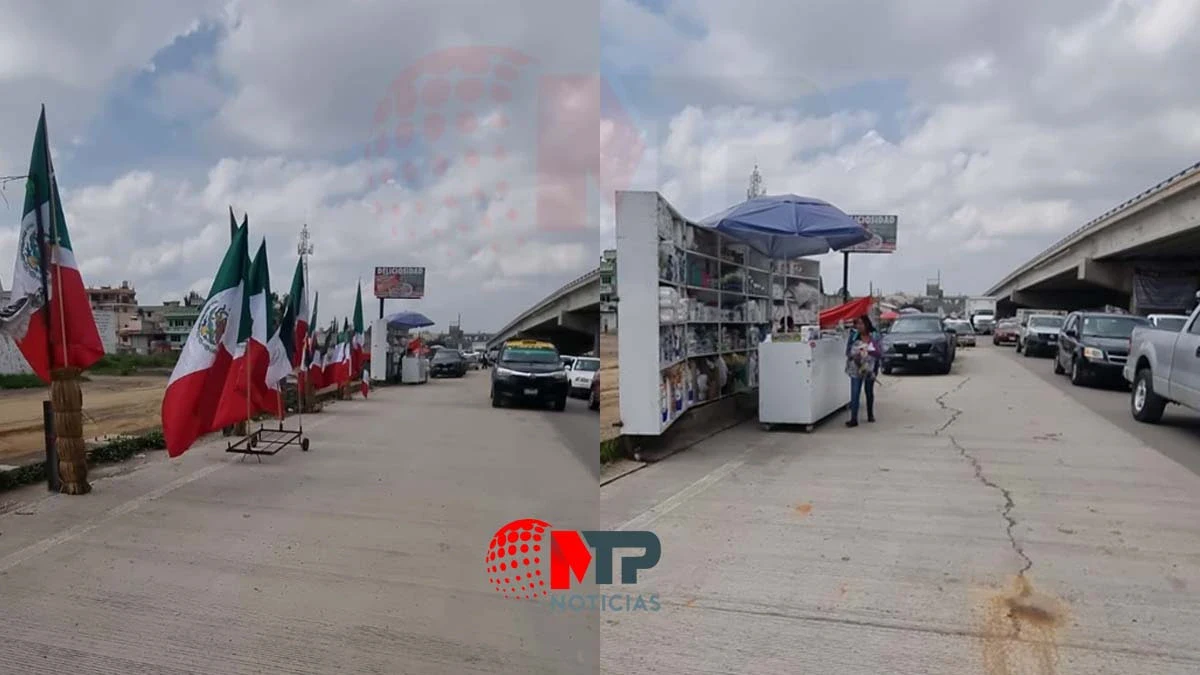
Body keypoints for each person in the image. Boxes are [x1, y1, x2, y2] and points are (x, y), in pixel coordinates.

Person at [845, 314, 881, 427]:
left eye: (861, 323)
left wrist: (870, 352)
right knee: (855, 392)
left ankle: (870, 414)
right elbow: (847, 352)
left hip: (869, 368)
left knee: (869, 391)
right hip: (855, 368)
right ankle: (853, 418)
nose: (859, 326)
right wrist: (855, 354)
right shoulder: (853, 336)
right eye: (857, 324)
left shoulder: (874, 336)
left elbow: (879, 353)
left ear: (867, 324)